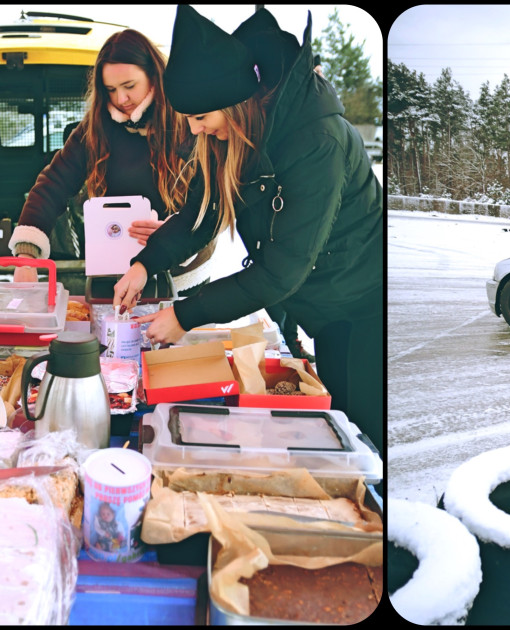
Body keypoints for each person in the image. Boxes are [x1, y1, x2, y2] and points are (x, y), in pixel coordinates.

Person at [114, 6, 384, 455]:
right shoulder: (231, 133)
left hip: (357, 301)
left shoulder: (317, 141)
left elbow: (281, 270)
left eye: (201, 118)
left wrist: (185, 316)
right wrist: (145, 264)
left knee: (358, 426)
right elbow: (201, 213)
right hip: (309, 291)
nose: (196, 130)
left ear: (235, 104)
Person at [10, 29, 220, 298]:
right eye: (111, 90)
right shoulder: (96, 129)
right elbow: (52, 185)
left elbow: (214, 202)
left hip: (184, 280)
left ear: (154, 76)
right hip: (119, 277)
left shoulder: (189, 122)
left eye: (129, 86)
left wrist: (176, 235)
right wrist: (27, 253)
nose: (121, 99)